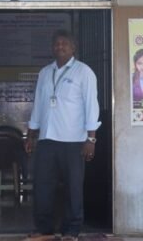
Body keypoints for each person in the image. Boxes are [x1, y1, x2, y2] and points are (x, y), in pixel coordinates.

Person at [24, 30, 100, 241]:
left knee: (73, 188)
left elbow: (91, 106)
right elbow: (38, 106)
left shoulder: (84, 72)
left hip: (74, 141)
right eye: (56, 44)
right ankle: (44, 229)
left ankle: (71, 230)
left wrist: (91, 139)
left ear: (73, 48)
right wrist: (30, 135)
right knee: (42, 186)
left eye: (64, 44)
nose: (60, 47)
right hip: (47, 139)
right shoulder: (45, 73)